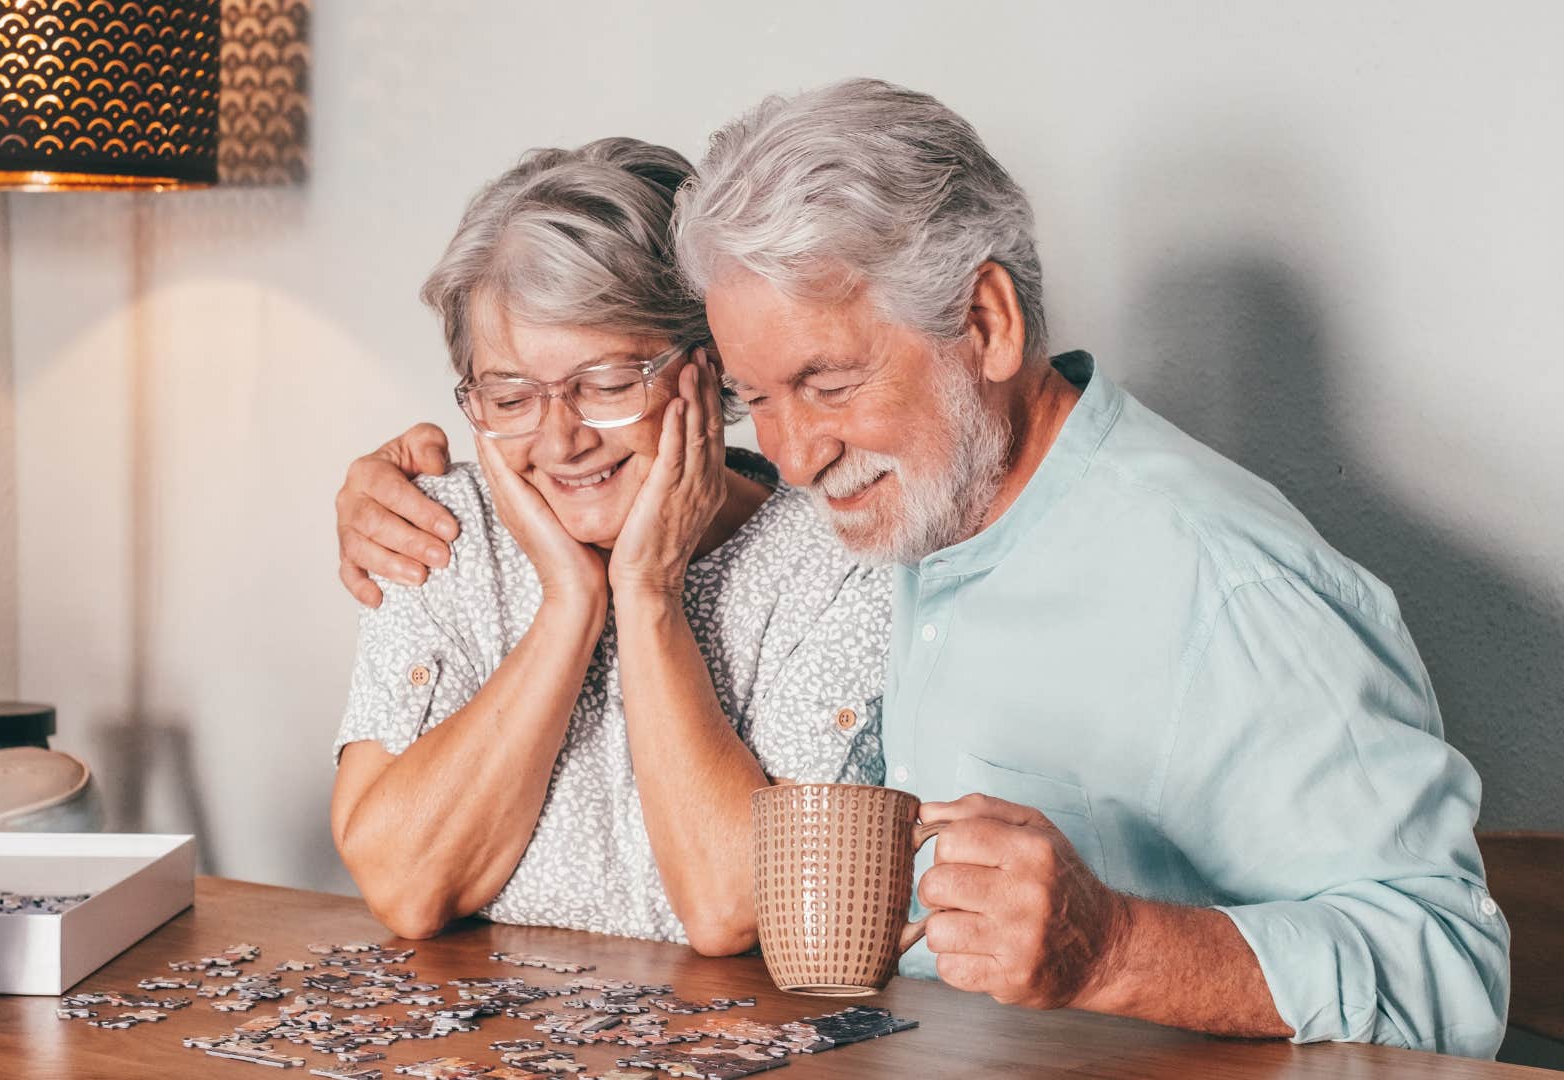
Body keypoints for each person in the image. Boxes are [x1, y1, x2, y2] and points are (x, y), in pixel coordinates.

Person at [333, 81, 1510, 1058]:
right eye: (756, 397)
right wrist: (412, 487)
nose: (790, 455)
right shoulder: (894, 514)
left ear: (988, 324)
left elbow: (1453, 975)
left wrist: (1118, 946)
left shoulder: (1226, 584)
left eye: (831, 385)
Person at [329, 137, 888, 954]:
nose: (561, 442)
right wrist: (569, 604)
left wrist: (649, 594)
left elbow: (739, 905)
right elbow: (404, 886)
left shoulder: (835, 550)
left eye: (608, 384)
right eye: (510, 395)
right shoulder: (432, 529)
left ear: (710, 366)